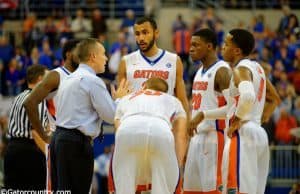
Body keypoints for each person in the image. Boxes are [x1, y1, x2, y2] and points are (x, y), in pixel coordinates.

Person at [50, 38, 130, 194]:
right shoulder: (92, 80)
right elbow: (112, 115)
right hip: (76, 143)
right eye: (104, 54)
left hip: (59, 139)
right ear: (93, 56)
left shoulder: (68, 78)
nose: (106, 58)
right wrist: (120, 98)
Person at [221, 29, 280, 194]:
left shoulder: (240, 70)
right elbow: (275, 98)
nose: (222, 47)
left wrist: (237, 120)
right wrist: (261, 117)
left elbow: (247, 96)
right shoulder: (257, 68)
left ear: (237, 51)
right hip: (258, 133)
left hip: (243, 133)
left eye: (226, 44)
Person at [112, 77, 187, 194]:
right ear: (165, 92)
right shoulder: (173, 100)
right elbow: (181, 135)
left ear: (144, 86)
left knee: (124, 187)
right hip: (161, 130)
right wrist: (177, 164)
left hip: (128, 129)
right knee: (162, 187)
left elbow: (118, 128)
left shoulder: (125, 99)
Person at [183, 29, 231, 193]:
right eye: (190, 45)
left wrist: (204, 115)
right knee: (190, 190)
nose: (190, 49)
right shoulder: (198, 72)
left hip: (214, 138)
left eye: (196, 45)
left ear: (210, 46)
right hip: (197, 139)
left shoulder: (222, 71)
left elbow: (233, 107)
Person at [117, 16, 189, 115]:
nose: (141, 38)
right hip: (135, 122)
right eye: (137, 34)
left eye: (145, 32)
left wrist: (187, 125)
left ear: (156, 33)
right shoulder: (126, 61)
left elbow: (182, 100)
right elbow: (121, 101)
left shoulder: (173, 60)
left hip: (165, 123)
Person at [4, 65, 48, 190]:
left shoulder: (18, 97)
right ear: (40, 79)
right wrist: (48, 154)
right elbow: (35, 132)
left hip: (12, 149)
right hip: (30, 152)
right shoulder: (37, 99)